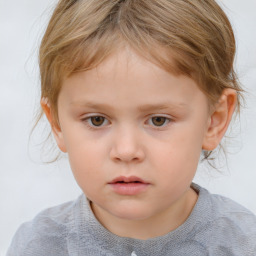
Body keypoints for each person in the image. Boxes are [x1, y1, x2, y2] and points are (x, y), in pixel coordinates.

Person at [7, 0, 256, 255]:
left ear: (213, 120)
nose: (126, 151)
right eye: (97, 120)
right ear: (57, 123)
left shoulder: (245, 244)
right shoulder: (37, 245)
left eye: (158, 120)